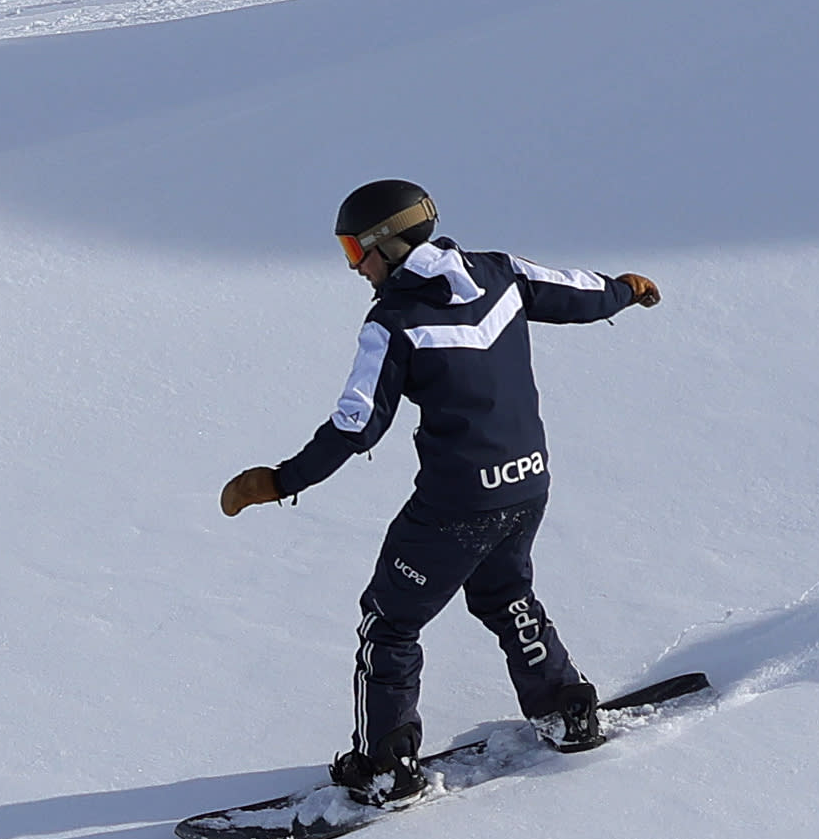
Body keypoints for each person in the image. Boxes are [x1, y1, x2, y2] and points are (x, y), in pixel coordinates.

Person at [218, 179, 663, 803]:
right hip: (527, 480)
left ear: (386, 245)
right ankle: (565, 708)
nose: (354, 268)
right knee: (505, 591)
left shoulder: (394, 322)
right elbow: (576, 293)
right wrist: (625, 290)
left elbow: (356, 423)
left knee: (390, 622)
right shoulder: (499, 272)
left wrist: (283, 479)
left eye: (353, 251)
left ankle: (385, 767)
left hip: (457, 503)